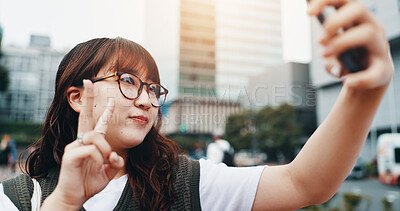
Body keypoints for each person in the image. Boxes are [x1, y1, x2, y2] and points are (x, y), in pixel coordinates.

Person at [0, 0, 395, 210]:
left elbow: (303, 183)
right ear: (76, 96)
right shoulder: (17, 198)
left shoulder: (186, 183)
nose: (146, 99)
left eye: (154, 89)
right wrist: (66, 202)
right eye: (127, 81)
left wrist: (365, 90)